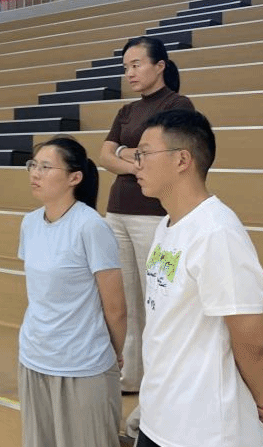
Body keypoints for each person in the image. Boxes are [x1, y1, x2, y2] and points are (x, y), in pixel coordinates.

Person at [134, 109, 263, 447]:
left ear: (182, 159)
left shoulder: (217, 232)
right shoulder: (168, 225)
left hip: (207, 440)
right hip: (161, 425)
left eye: (144, 153)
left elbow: (250, 337)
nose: (135, 163)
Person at [17, 137, 126, 447]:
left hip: (84, 367)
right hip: (34, 360)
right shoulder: (30, 223)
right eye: (33, 165)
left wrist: (115, 353)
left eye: (46, 167)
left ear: (75, 177)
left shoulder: (91, 226)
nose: (35, 173)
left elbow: (115, 307)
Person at [97, 36, 195, 394]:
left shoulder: (177, 105)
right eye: (126, 67)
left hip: (151, 214)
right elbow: (104, 156)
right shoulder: (126, 111)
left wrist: (125, 152)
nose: (130, 73)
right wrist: (135, 159)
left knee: (155, 298)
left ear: (160, 66)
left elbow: (164, 157)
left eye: (136, 64)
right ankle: (132, 375)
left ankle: (160, 378)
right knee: (125, 301)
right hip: (117, 211)